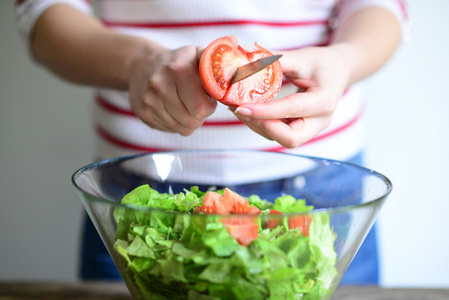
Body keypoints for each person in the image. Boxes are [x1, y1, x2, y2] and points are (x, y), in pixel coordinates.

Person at [15, 0, 408, 285]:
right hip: (137, 192)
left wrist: (344, 59)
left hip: (324, 189)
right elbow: (42, 10)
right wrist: (136, 63)